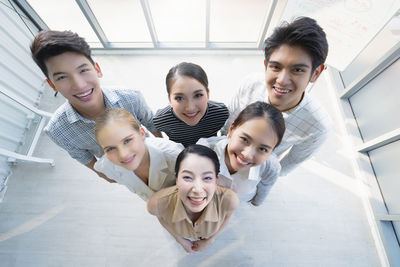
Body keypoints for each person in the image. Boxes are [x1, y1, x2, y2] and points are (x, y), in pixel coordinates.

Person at [30, 30, 162, 182]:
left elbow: (152, 124)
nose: (79, 85)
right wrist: (108, 176)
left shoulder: (131, 98)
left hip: (149, 154)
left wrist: (162, 153)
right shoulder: (57, 131)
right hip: (123, 171)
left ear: (97, 69)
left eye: (83, 70)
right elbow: (84, 158)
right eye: (62, 77)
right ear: (52, 85)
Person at [221, 16, 331, 176]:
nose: (282, 80)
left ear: (315, 73)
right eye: (276, 67)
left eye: (297, 70)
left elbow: (286, 165)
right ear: (266, 65)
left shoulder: (318, 127)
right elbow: (227, 127)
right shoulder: (250, 84)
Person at [147, 145, 239, 253]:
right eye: (187, 177)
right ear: (177, 179)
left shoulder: (229, 200)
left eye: (207, 178)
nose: (198, 190)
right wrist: (180, 240)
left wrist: (210, 240)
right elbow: (161, 217)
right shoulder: (157, 203)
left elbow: (227, 216)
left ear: (216, 181)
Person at [199, 101, 285, 206]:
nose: (247, 155)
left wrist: (257, 201)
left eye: (263, 149)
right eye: (244, 139)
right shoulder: (203, 151)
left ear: (272, 151)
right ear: (231, 130)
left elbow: (266, 185)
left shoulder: (271, 167)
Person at [93, 108, 184, 200]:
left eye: (127, 140)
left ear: (142, 133)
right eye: (111, 148)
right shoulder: (107, 166)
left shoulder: (175, 156)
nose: (123, 154)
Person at [153, 62, 229, 147]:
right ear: (169, 99)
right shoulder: (161, 119)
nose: (190, 108)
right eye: (179, 98)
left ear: (208, 94)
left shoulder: (220, 113)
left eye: (198, 95)